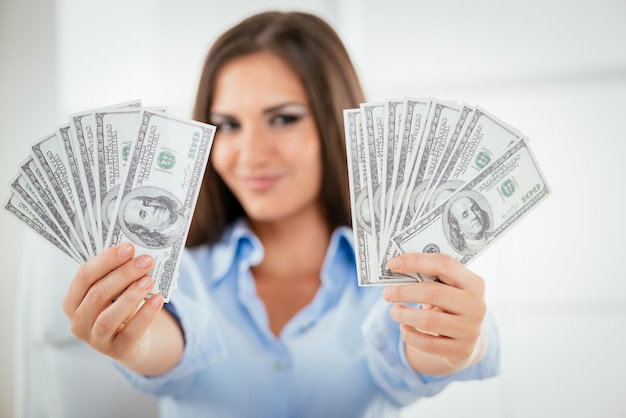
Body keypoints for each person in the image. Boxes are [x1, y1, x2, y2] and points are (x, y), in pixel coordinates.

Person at [62, 11, 499, 417]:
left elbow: (413, 357)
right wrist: (133, 345)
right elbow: (169, 343)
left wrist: (458, 343)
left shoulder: (396, 272)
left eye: (282, 119)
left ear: (336, 123)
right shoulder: (177, 271)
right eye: (229, 125)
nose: (249, 154)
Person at [118, 186, 187, 249]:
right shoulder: (173, 239)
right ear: (147, 230)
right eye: (143, 214)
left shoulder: (186, 209)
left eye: (147, 202)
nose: (152, 208)